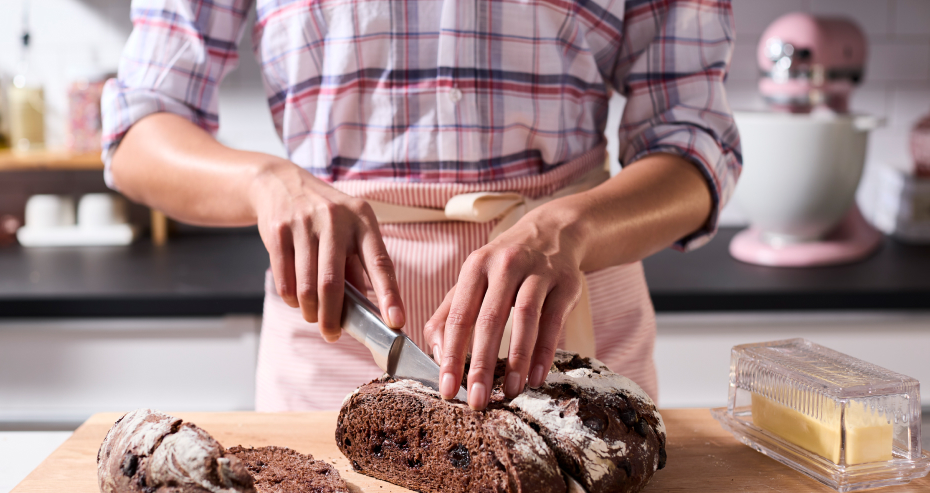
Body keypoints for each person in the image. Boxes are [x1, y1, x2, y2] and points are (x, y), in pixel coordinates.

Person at [102, 0, 741, 412]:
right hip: (340, 329)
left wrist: (570, 228)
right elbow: (138, 133)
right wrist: (267, 181)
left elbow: (694, 145)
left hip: (566, 332)